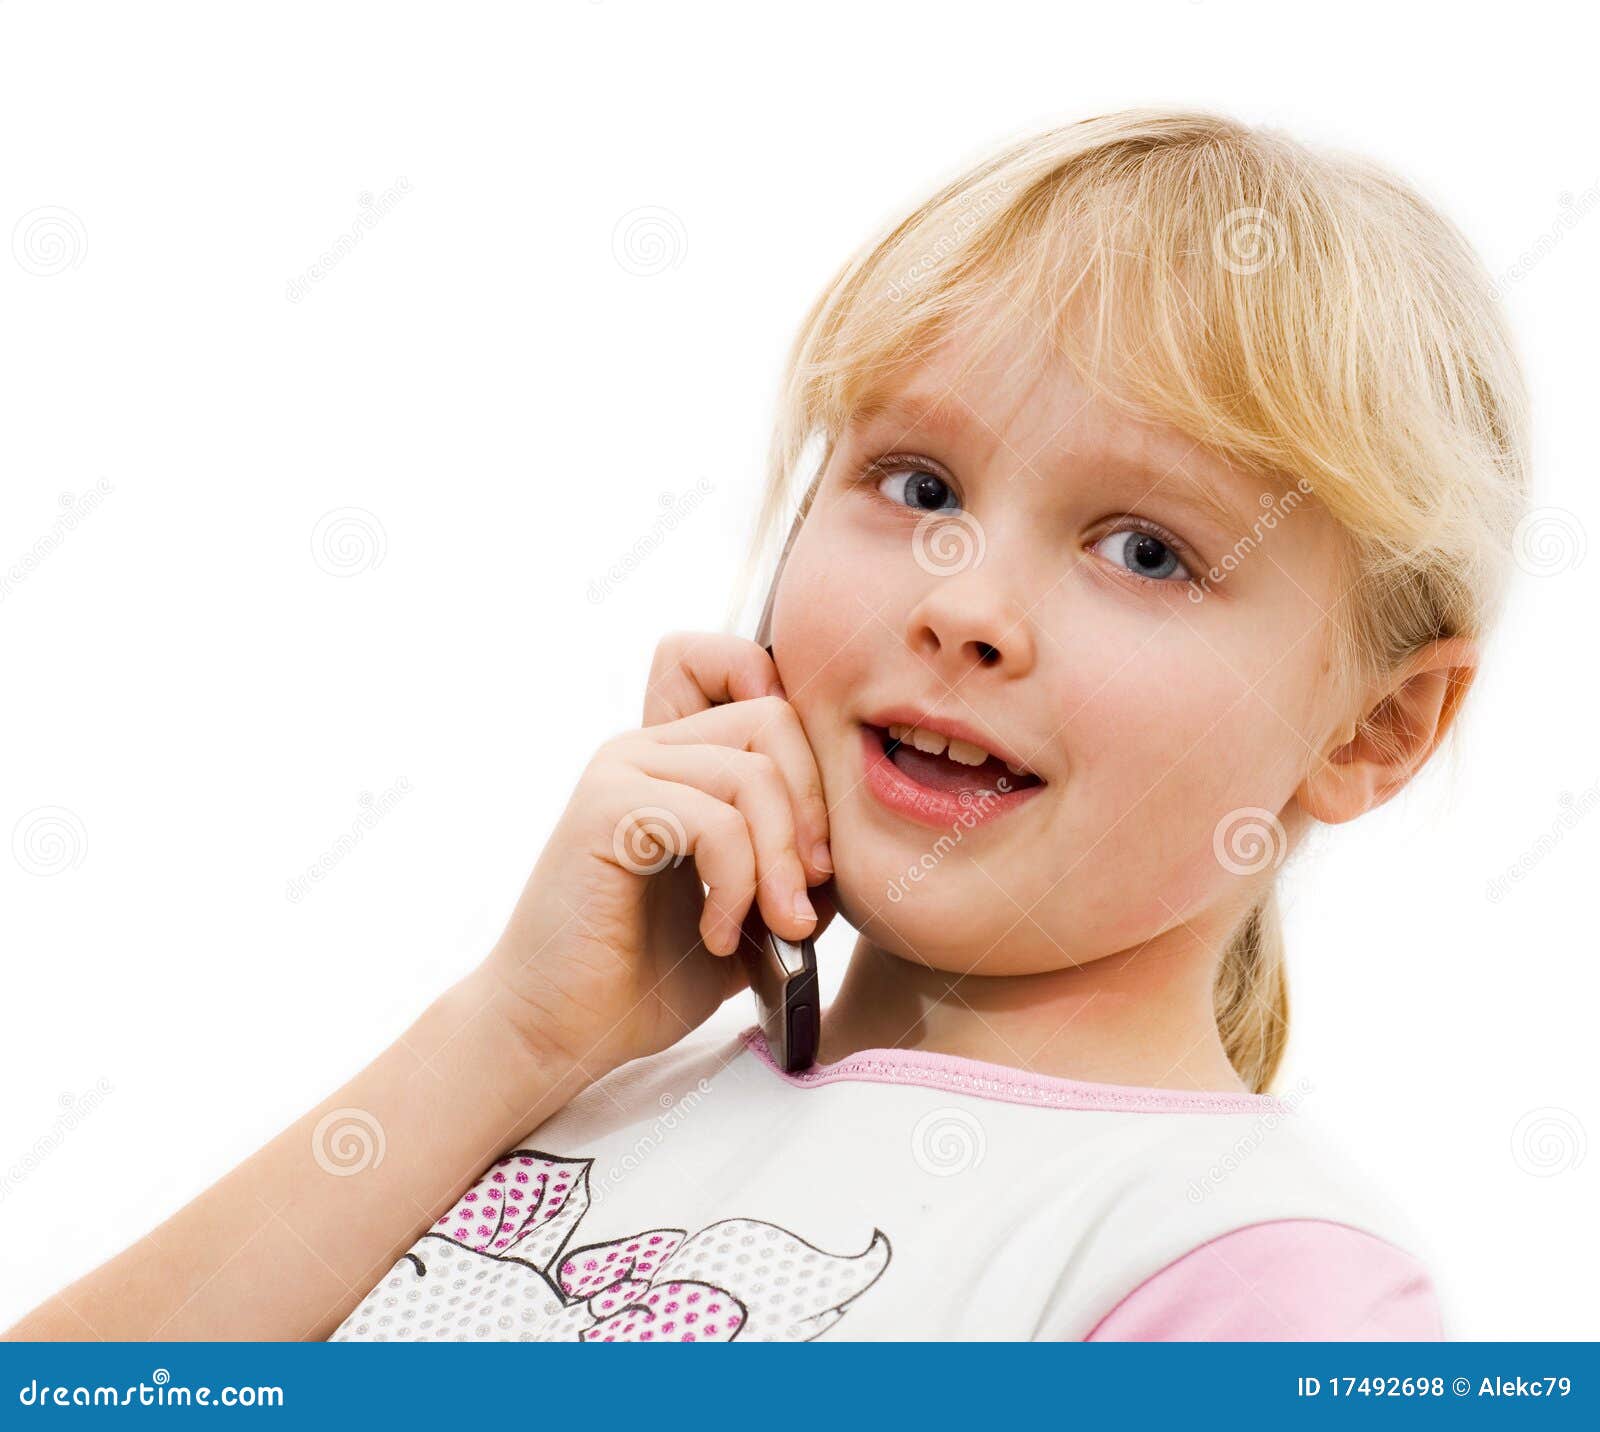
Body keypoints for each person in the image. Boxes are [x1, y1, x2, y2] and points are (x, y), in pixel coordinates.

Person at [7, 107, 1527, 1342]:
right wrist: (508, 1040)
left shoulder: (1260, 1281)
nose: (964, 604)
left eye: (1146, 550)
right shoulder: (562, 1092)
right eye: (918, 486)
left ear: (1374, 729)